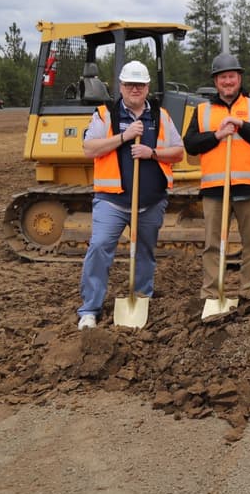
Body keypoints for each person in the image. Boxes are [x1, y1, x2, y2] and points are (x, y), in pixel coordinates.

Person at [76, 61, 185, 329]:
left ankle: (142, 298)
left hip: (150, 203)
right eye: (129, 84)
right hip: (112, 201)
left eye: (140, 85)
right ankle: (90, 309)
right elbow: (89, 149)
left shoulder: (161, 116)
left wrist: (153, 153)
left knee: (145, 253)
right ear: (121, 87)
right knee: (100, 247)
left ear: (147, 87)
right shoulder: (105, 115)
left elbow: (179, 152)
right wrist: (125, 136)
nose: (134, 89)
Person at [183, 52, 250, 305]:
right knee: (213, 245)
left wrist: (241, 125)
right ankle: (212, 294)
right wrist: (216, 135)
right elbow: (190, 144)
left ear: (239, 78)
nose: (227, 82)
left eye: (232, 77)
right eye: (222, 77)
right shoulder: (202, 111)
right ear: (216, 81)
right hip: (215, 189)